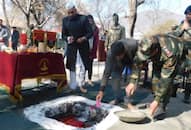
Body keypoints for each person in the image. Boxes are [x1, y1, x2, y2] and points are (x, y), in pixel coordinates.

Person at [125, 34, 185, 120]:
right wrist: (132, 81)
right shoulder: (145, 45)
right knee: (155, 80)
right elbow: (137, 62)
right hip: (158, 57)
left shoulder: (170, 54)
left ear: (155, 51)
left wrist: (157, 100)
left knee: (166, 82)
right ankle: (156, 101)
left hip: (178, 54)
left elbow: (166, 79)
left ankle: (162, 106)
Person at [62, 2, 93, 93]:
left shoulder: (83, 18)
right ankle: (72, 86)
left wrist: (83, 38)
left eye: (72, 12)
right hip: (72, 47)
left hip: (83, 46)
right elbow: (63, 35)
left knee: (82, 66)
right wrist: (68, 38)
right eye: (69, 13)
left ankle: (81, 85)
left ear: (75, 10)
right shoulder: (65, 20)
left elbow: (90, 33)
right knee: (72, 66)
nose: (71, 14)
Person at [96, 39, 138, 105]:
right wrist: (101, 90)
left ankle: (128, 99)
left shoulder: (133, 45)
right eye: (116, 56)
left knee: (133, 81)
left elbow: (138, 64)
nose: (118, 57)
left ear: (123, 52)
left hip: (133, 59)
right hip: (119, 64)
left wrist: (133, 81)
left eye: (119, 56)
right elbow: (106, 73)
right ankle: (117, 98)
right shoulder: (111, 54)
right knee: (115, 76)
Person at [170, 5, 191, 103]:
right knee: (177, 73)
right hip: (181, 54)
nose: (188, 16)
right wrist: (182, 28)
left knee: (189, 77)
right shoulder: (181, 25)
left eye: (190, 15)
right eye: (187, 14)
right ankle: (173, 93)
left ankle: (186, 97)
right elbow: (173, 36)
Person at [87, 15, 99, 85]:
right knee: (84, 65)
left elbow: (96, 39)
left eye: (90, 19)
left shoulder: (95, 28)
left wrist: (95, 49)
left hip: (92, 49)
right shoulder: (85, 28)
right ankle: (82, 80)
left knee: (90, 65)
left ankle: (89, 79)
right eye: (88, 20)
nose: (90, 21)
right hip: (85, 49)